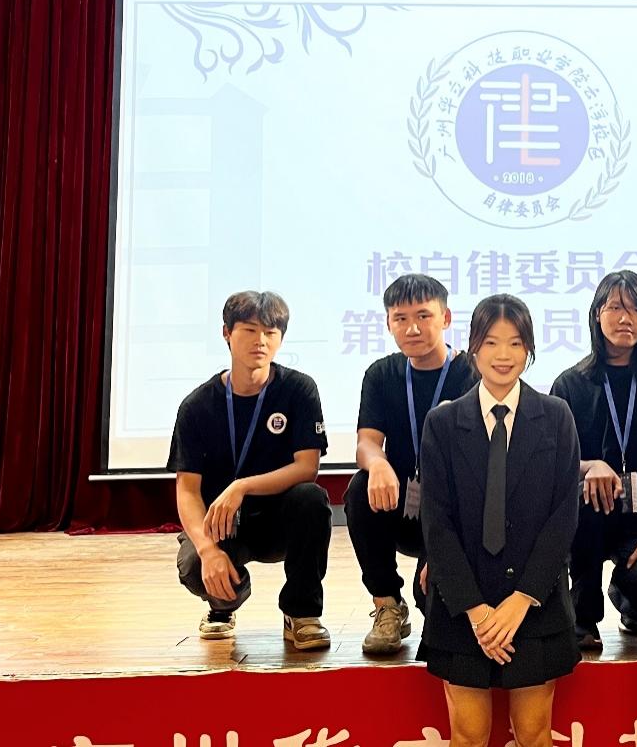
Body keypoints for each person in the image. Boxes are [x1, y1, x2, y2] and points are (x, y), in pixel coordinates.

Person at [419, 294, 581, 747]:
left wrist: (521, 600)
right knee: (468, 734)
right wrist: (477, 612)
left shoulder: (556, 416)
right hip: (462, 607)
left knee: (533, 732)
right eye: (491, 342)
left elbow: (563, 517)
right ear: (473, 347)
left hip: (535, 604)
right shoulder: (443, 423)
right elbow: (437, 524)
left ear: (529, 348)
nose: (503, 355)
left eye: (515, 343)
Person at [169, 290, 332, 651]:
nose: (260, 341)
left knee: (312, 500)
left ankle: (302, 613)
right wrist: (208, 550)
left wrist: (241, 486)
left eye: (270, 332)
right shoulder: (197, 406)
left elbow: (307, 468)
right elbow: (187, 490)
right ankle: (222, 606)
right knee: (195, 563)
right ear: (227, 333)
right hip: (221, 524)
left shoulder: (298, 389)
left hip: (277, 520)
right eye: (249, 330)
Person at [345, 273, 475, 655]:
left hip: (455, 511)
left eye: (423, 316)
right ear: (388, 323)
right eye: (400, 318)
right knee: (359, 489)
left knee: (436, 605)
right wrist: (378, 464)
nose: (412, 328)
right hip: (399, 503)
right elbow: (367, 442)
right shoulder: (382, 374)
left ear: (445, 318)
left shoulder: (471, 373)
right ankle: (387, 605)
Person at [550, 271, 637, 650]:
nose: (625, 318)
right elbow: (552, 464)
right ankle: (583, 617)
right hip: (589, 517)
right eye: (616, 308)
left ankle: (631, 598)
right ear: (596, 314)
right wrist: (591, 466)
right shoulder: (571, 384)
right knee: (584, 496)